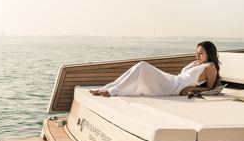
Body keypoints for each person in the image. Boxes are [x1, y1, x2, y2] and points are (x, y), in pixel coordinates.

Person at [90, 41, 220, 97]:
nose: (197, 55)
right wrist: (195, 62)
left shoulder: (210, 66)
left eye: (201, 53)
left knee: (142, 66)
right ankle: (107, 88)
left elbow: (209, 88)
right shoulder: (196, 63)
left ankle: (111, 91)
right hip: (173, 80)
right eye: (196, 52)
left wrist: (190, 89)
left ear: (209, 53)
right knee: (140, 67)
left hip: (173, 88)